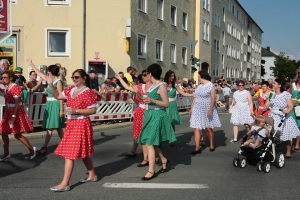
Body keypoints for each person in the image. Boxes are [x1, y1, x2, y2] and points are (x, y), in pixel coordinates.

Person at [46, 69, 98, 192]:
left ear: (84, 78)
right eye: (73, 77)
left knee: (69, 154)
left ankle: (65, 183)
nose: (74, 79)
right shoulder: (70, 90)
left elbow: (93, 110)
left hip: (81, 123)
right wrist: (50, 84)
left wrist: (76, 111)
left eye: (76, 77)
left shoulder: (88, 92)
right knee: (83, 152)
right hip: (71, 123)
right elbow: (58, 96)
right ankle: (92, 175)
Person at [137, 63, 176, 180]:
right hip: (149, 114)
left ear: (151, 73)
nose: (145, 75)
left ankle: (151, 170)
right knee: (152, 142)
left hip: (158, 115)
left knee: (149, 143)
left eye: (147, 73)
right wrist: (137, 93)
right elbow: (146, 99)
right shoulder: (152, 85)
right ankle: (163, 160)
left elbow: (166, 103)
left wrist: (153, 100)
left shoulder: (161, 86)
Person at [115, 70, 155, 166]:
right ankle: (145, 158)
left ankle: (156, 157)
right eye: (144, 75)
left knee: (147, 135)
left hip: (149, 111)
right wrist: (120, 78)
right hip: (140, 112)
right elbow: (127, 87)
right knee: (140, 134)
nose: (144, 77)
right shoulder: (140, 86)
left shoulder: (154, 87)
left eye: (146, 75)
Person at [27, 58, 65, 155]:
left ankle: (44, 147)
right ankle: (66, 144)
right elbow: (39, 73)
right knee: (58, 128)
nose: (47, 72)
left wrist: (61, 109)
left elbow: (61, 96)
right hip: (50, 104)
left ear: (52, 72)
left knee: (52, 127)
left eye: (49, 71)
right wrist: (32, 64)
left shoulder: (58, 82)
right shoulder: (49, 79)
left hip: (55, 104)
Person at [0, 70, 36, 161]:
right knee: (3, 131)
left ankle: (32, 149)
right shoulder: (7, 87)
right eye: (2, 77)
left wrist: (13, 116)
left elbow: (17, 104)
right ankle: (6, 153)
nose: (3, 79)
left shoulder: (15, 87)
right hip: (9, 111)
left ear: (11, 78)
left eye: (5, 77)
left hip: (15, 112)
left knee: (17, 134)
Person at [264, 78, 300, 158]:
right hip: (273, 115)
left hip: (283, 116)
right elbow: (267, 104)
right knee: (271, 134)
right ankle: (271, 149)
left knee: (287, 136)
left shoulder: (286, 94)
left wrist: (287, 111)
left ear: (279, 85)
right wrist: (265, 107)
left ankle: (288, 151)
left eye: (274, 83)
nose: (272, 84)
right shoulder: (271, 94)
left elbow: (291, 106)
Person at [190, 70, 221, 153]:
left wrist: (210, 110)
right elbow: (196, 97)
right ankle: (197, 147)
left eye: (199, 77)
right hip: (197, 108)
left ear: (202, 77)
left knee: (208, 127)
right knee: (196, 127)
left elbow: (213, 99)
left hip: (207, 108)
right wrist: (192, 108)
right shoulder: (200, 86)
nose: (199, 78)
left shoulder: (210, 86)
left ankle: (211, 144)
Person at [288, 76, 300, 150]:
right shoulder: (292, 85)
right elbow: (288, 94)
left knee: (299, 126)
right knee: (291, 125)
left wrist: (298, 102)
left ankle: (297, 144)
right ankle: (290, 143)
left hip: (299, 107)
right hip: (292, 107)